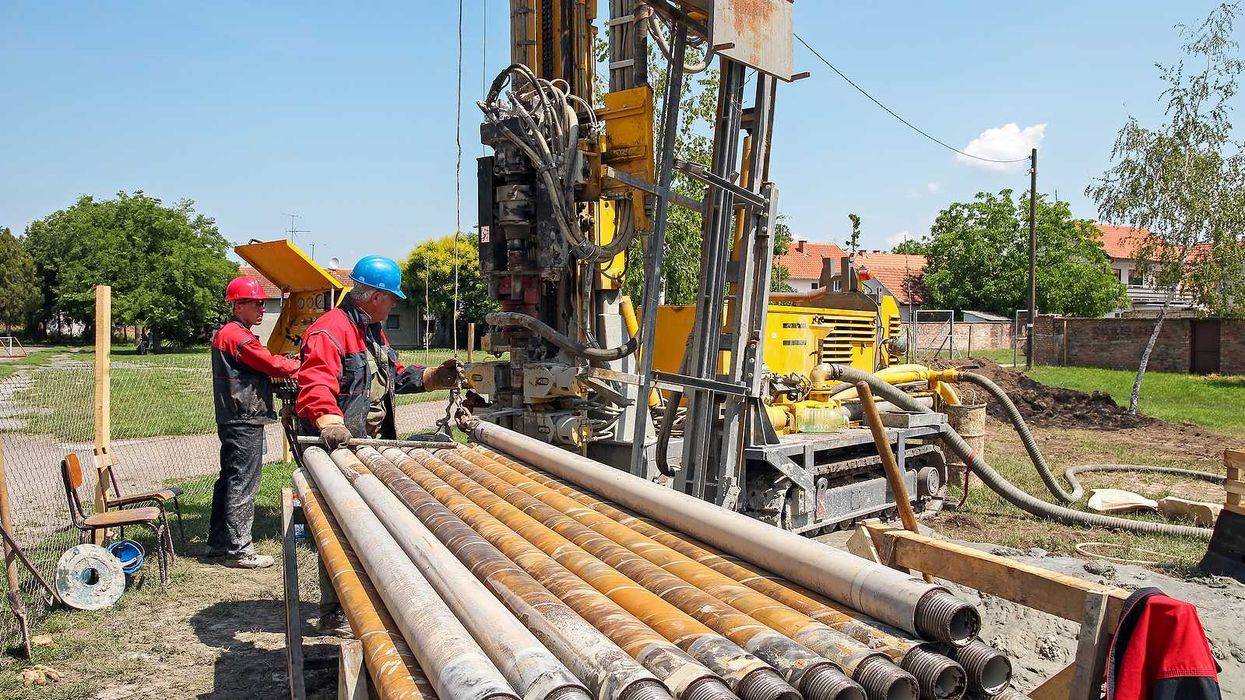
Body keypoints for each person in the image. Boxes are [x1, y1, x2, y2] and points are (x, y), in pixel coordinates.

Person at [295, 255, 462, 634]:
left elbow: (394, 377)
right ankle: (335, 609)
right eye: (391, 298)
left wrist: (436, 377)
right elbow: (316, 383)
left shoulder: (371, 332)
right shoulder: (330, 331)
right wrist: (331, 421)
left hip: (367, 443)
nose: (394, 304)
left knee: (369, 523)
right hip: (337, 443)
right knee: (340, 526)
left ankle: (369, 596)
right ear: (373, 296)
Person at [208, 276, 300, 569]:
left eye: (263, 303)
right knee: (243, 482)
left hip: (234, 416)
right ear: (238, 306)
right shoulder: (238, 336)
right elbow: (272, 365)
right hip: (243, 416)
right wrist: (302, 364)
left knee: (229, 479)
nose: (262, 308)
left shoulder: (230, 333)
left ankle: (218, 542)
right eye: (256, 303)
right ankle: (239, 551)